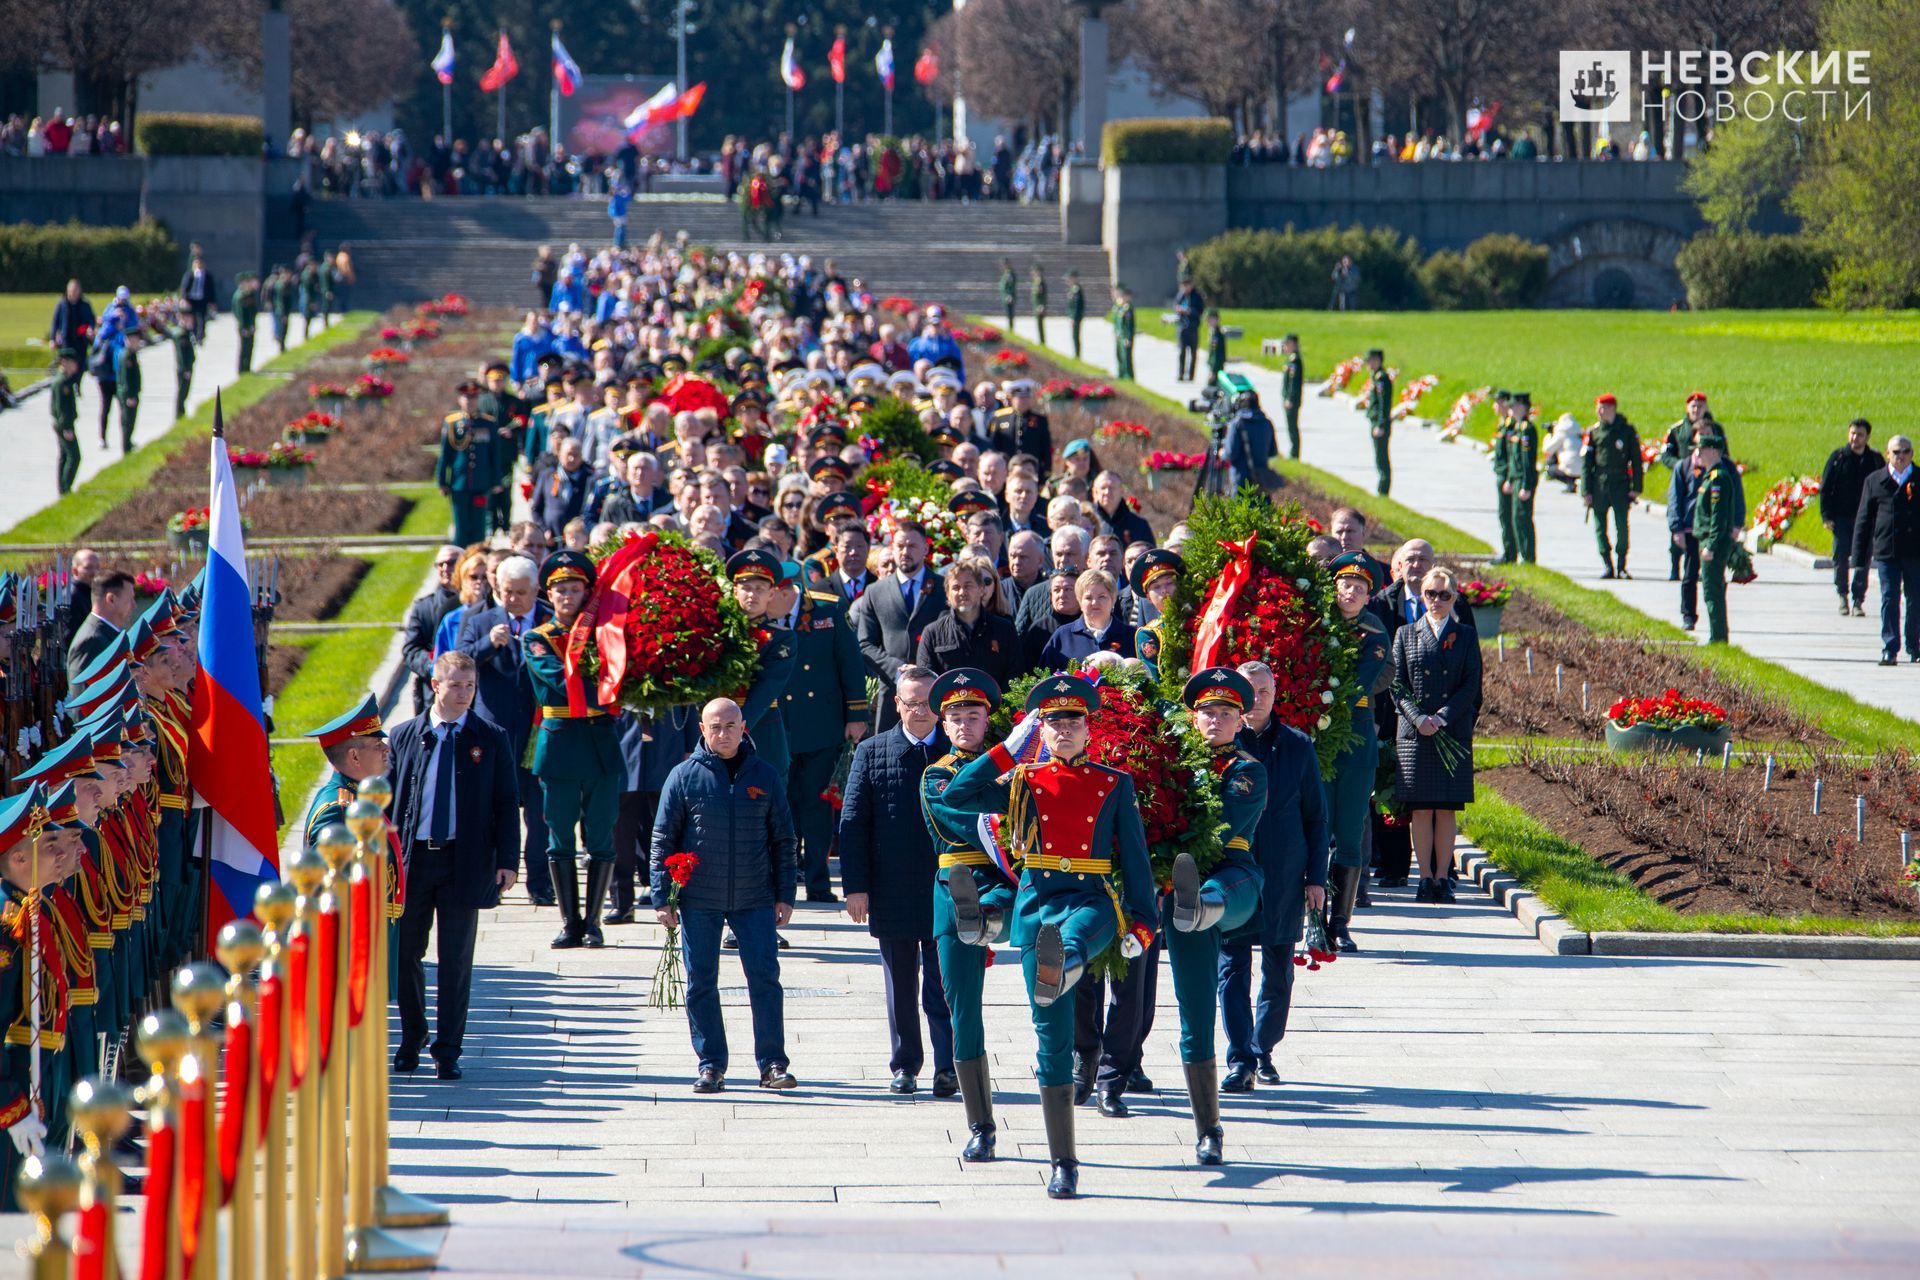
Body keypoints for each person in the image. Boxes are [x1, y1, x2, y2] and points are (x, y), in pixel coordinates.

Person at [941, 674, 1158, 1200]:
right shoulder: (1024, 779)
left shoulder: (1113, 783)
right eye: (1053, 721)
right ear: (1042, 729)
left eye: (1073, 721)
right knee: (1050, 1037)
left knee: (1075, 942)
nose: (1064, 729)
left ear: (1089, 728)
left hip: (1090, 897)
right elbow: (957, 792)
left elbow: (1134, 858)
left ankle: (1064, 961)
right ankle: (1065, 1162)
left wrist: (1146, 922)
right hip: (1037, 901)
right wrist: (1006, 749)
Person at [651, 698, 800, 1094]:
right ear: (701, 729)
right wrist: (661, 897)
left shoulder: (765, 775)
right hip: (700, 896)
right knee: (701, 982)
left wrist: (786, 894)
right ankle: (711, 1064)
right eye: (715, 727)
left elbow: (784, 839)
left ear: (744, 726)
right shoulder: (683, 777)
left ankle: (772, 1064)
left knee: (765, 979)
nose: (723, 734)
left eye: (730, 726)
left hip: (755, 897)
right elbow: (662, 839)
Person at [386, 651, 520, 1080]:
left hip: (466, 860)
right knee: (407, 952)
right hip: (415, 860)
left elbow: (505, 801)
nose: (464, 694)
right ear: (435, 685)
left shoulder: (490, 736)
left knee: (456, 958)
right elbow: (388, 802)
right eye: (456, 685)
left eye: (470, 686)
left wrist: (507, 861)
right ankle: (412, 1038)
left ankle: (448, 1050)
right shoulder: (406, 734)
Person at [1165, 668, 1267, 1166]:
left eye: (1226, 713)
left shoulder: (1246, 769)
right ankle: (1209, 1128)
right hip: (1175, 890)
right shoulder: (1171, 761)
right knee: (1195, 1006)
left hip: (1230, 872)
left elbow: (1223, 824)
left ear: (1239, 720)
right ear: (1193, 715)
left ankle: (1202, 902)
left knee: (1216, 891)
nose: (1215, 719)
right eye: (1207, 711)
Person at [839, 666, 955, 1097]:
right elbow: (852, 823)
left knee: (944, 985)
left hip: (946, 886)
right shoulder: (872, 751)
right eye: (911, 703)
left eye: (928, 703)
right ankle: (905, 1064)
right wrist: (856, 887)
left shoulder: (957, 751)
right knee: (900, 984)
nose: (920, 711)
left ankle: (948, 1066)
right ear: (897, 705)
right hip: (891, 886)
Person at [1217, 661, 1328, 1091]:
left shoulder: (1298, 746)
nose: (1257, 699)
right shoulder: (1223, 744)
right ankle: (1240, 1057)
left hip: (1284, 873)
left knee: (1278, 969)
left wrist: (1316, 877)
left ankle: (1264, 1048)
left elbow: (1317, 818)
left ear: (1276, 694)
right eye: (1250, 692)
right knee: (1232, 967)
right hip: (1236, 874)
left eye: (1264, 691)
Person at [921, 668, 1014, 1161]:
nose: (962, 724)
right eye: (954, 715)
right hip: (955, 884)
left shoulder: (1010, 773)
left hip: (1004, 878)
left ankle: (992, 915)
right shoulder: (935, 774)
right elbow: (956, 810)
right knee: (964, 1011)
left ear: (987, 721)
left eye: (972, 715)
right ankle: (981, 1123)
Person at [524, 551, 625, 948]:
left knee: (601, 836)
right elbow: (556, 683)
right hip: (561, 744)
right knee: (560, 837)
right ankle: (570, 921)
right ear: (550, 595)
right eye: (561, 589)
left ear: (588, 592)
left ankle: (594, 922)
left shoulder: (607, 634)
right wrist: (609, 685)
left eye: (576, 589)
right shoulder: (538, 638)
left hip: (600, 745)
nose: (568, 596)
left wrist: (608, 680)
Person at [457, 554, 554, 904]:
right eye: (507, 592)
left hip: (537, 732)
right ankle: (492, 882)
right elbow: (460, 662)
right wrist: (488, 644)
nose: (513, 599)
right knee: (491, 811)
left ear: (535, 590)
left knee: (539, 815)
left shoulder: (549, 617)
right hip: (493, 733)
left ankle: (539, 885)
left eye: (521, 593)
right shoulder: (481, 620)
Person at [775, 563, 869, 902]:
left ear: (790, 590)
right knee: (780, 806)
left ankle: (817, 881)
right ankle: (783, 881)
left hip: (821, 723)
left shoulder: (828, 607)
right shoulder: (765, 611)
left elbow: (850, 663)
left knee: (816, 806)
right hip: (777, 726)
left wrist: (856, 714)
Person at [1391, 567, 1482, 902]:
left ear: (1454, 597)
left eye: (1444, 595)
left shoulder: (1467, 635)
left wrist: (1442, 717)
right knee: (1420, 810)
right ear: (1422, 596)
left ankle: (1443, 877)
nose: (1437, 601)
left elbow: (1471, 684)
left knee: (1445, 808)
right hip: (1416, 734)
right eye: (1431, 593)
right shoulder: (1405, 633)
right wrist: (1418, 718)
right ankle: (1424, 878)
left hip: (1450, 730)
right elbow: (1397, 684)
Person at [1324, 555, 1391, 951]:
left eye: (1360, 588)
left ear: (1369, 597)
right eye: (1346, 585)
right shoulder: (1316, 626)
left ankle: (1340, 922)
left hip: (1353, 737)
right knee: (1315, 830)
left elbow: (1355, 686)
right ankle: (1312, 916)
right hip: (1316, 741)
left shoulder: (1373, 635)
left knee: (1348, 831)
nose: (1351, 592)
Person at [851, 522, 946, 732]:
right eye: (900, 546)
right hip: (892, 693)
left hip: (935, 692)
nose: (905, 552)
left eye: (912, 546)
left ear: (926, 549)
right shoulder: (875, 592)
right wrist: (897, 669)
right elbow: (864, 643)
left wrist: (925, 670)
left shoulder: (945, 587)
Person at [299, 693, 392, 848]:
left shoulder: (357, 798)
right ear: (354, 756)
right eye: (377, 744)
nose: (386, 748)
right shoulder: (338, 811)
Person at [915, 554, 1019, 688]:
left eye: (968, 586)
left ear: (981, 589)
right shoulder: (932, 633)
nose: (962, 592)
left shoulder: (1005, 630)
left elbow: (1015, 677)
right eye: (955, 587)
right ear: (947, 594)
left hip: (996, 707)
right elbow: (926, 682)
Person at [1820, 419, 1883, 617]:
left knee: (1862, 559)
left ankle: (1858, 600)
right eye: (1853, 433)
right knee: (1840, 555)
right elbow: (1826, 488)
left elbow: (1883, 488)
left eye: (1860, 434)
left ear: (1867, 437)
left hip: (1866, 519)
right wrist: (1826, 515)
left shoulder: (1874, 460)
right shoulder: (1838, 458)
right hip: (1841, 518)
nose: (1855, 438)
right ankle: (1842, 595)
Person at [1582, 393, 1644, 579]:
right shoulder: (1594, 432)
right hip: (1599, 483)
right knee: (1600, 526)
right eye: (1598, 408)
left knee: (1621, 527)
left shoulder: (1626, 431)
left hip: (1620, 483)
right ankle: (1607, 564)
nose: (1599, 411)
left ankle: (1621, 564)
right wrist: (1586, 490)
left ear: (1612, 408)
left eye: (1602, 407)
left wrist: (1636, 487)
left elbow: (1637, 461)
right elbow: (1586, 463)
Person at [401, 546, 464, 715]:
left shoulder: (476, 604)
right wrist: (435, 667)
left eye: (451, 562)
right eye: (440, 564)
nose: (445, 568)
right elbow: (411, 650)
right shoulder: (423, 607)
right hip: (433, 694)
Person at [439, 381, 500, 548]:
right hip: (460, 484)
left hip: (481, 483)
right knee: (461, 527)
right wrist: (442, 481)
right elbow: (445, 456)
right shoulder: (452, 423)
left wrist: (496, 481)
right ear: (459, 399)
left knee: (478, 527)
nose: (470, 401)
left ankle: (477, 558)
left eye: (473, 397)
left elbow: (494, 454)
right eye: (466, 397)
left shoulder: (487, 423)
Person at [1039, 569, 1134, 668]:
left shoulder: (1131, 636)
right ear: (1079, 602)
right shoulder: (1062, 636)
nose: (1094, 603)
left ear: (1113, 600)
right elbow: (1046, 680)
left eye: (1102, 597)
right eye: (1088, 598)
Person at [66, 569, 134, 680]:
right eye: (130, 600)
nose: (134, 605)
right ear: (111, 599)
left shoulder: (106, 634)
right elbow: (83, 692)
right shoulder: (91, 640)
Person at [1503, 392, 1538, 564]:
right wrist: (1510, 479)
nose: (1511, 409)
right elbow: (1513, 459)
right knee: (1516, 518)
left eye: (1514, 405)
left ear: (1523, 407)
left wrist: (1526, 484)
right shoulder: (1516, 428)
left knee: (1523, 518)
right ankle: (1523, 555)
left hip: (1524, 480)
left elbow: (1527, 461)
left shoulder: (1527, 429)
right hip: (1516, 479)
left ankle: (1528, 556)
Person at [48, 348, 83, 495]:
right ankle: (66, 487)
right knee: (74, 456)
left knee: (64, 455)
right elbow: (60, 409)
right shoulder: (61, 383)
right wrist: (66, 428)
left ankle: (62, 487)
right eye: (73, 363)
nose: (76, 366)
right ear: (64, 362)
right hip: (64, 425)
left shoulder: (66, 380)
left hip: (64, 424)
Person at [1364, 348, 1392, 495]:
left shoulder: (1381, 379)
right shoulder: (1376, 377)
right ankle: (1382, 488)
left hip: (1380, 424)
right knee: (1378, 456)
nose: (1368, 364)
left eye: (1370, 360)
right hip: (1376, 422)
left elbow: (1383, 405)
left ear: (1377, 360)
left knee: (1382, 457)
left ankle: (1383, 489)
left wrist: (1380, 425)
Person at [1278, 333, 1304, 460]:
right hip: (1289, 399)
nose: (1285, 347)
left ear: (1293, 344)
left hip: (1292, 401)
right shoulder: (1290, 360)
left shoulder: (1295, 361)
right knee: (1290, 426)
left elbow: (1293, 384)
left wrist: (1289, 398)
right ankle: (1293, 451)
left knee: (1292, 426)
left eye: (1287, 344)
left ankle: (1294, 453)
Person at [1174, 279, 1205, 382]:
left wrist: (1190, 311)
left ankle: (1191, 375)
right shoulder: (1181, 295)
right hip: (1182, 327)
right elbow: (1176, 306)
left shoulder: (1197, 296)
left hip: (1193, 327)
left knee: (1193, 352)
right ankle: (1181, 374)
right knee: (1182, 352)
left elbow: (1201, 310)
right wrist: (1179, 310)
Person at [233, 272, 260, 375]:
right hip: (244, 326)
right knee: (244, 348)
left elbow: (253, 311)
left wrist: (252, 325)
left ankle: (247, 367)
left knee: (250, 346)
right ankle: (241, 369)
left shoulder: (249, 294)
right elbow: (239, 314)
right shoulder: (240, 296)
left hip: (250, 325)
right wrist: (244, 327)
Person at [1110, 285, 1135, 382]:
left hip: (1125, 337)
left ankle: (1129, 375)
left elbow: (1129, 326)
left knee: (1127, 358)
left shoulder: (1128, 309)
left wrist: (1128, 338)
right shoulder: (1121, 308)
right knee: (1120, 356)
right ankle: (1122, 373)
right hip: (1121, 336)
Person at [1065, 269, 1085, 360]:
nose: (1068, 280)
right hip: (1073, 317)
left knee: (1076, 336)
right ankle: (1076, 354)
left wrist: (1074, 317)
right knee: (1074, 336)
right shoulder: (1073, 289)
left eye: (1070, 278)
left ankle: (1077, 355)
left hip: (1076, 317)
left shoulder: (1077, 290)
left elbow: (1077, 306)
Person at [1204, 309, 1227, 384]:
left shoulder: (1216, 335)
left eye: (1211, 319)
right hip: (1214, 367)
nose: (1208, 321)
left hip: (1216, 368)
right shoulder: (1213, 332)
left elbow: (1215, 353)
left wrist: (1213, 371)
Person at [1030, 265, 1049, 347]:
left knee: (1040, 325)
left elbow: (1043, 295)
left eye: (1035, 271)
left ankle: (1042, 341)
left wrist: (1042, 305)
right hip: (1036, 306)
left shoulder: (1040, 282)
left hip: (1039, 306)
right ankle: (1041, 341)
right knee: (1038, 325)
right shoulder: (1036, 281)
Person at [999, 258, 1017, 330]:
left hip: (1009, 297)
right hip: (1006, 296)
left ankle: (1011, 328)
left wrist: (1009, 295)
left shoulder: (1010, 274)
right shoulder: (1006, 273)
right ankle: (1010, 327)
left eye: (1005, 264)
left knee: (1010, 314)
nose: (1004, 266)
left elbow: (1011, 285)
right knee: (1008, 313)